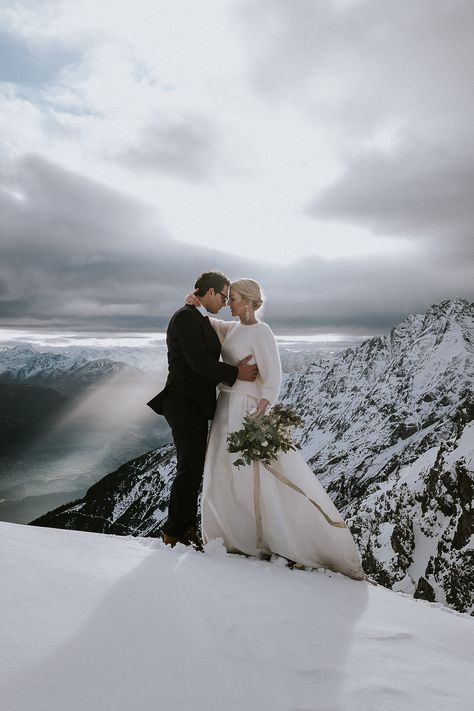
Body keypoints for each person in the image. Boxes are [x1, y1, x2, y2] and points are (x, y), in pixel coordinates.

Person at [186, 278, 364, 579]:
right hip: (225, 405)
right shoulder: (234, 328)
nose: (229, 302)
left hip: (245, 407)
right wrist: (198, 305)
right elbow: (213, 325)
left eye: (234, 298)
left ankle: (258, 536)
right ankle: (226, 535)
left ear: (248, 301)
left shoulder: (262, 331)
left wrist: (263, 404)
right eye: (227, 298)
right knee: (220, 468)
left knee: (248, 472)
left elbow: (273, 373)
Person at [147, 271, 258, 548]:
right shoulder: (186, 317)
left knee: (194, 466)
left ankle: (183, 527)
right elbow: (197, 361)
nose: (224, 302)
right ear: (210, 293)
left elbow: (218, 332)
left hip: (191, 403)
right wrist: (236, 373)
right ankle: (174, 531)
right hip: (182, 402)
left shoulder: (195, 316)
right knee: (190, 466)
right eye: (223, 296)